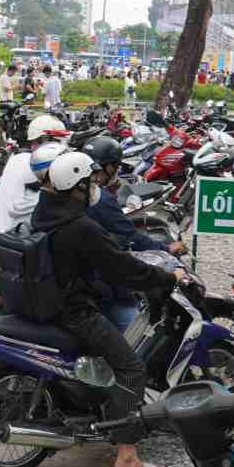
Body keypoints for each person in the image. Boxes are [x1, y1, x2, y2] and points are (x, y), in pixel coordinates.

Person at [30, 151, 183, 467]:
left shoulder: (46, 211)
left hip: (52, 303)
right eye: (89, 182)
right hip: (77, 312)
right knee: (132, 368)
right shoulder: (80, 226)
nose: (94, 187)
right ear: (76, 186)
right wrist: (166, 278)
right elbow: (121, 268)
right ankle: (127, 462)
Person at [80, 135, 187, 330]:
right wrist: (166, 254)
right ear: (109, 167)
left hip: (70, 281)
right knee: (136, 330)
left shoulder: (58, 199)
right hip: (91, 288)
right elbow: (128, 242)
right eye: (116, 166)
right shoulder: (97, 200)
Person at [0, 115, 73, 242]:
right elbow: (15, 207)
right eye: (59, 140)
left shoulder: (18, 159)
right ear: (45, 139)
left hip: (4, 239)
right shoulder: (30, 163)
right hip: (17, 242)